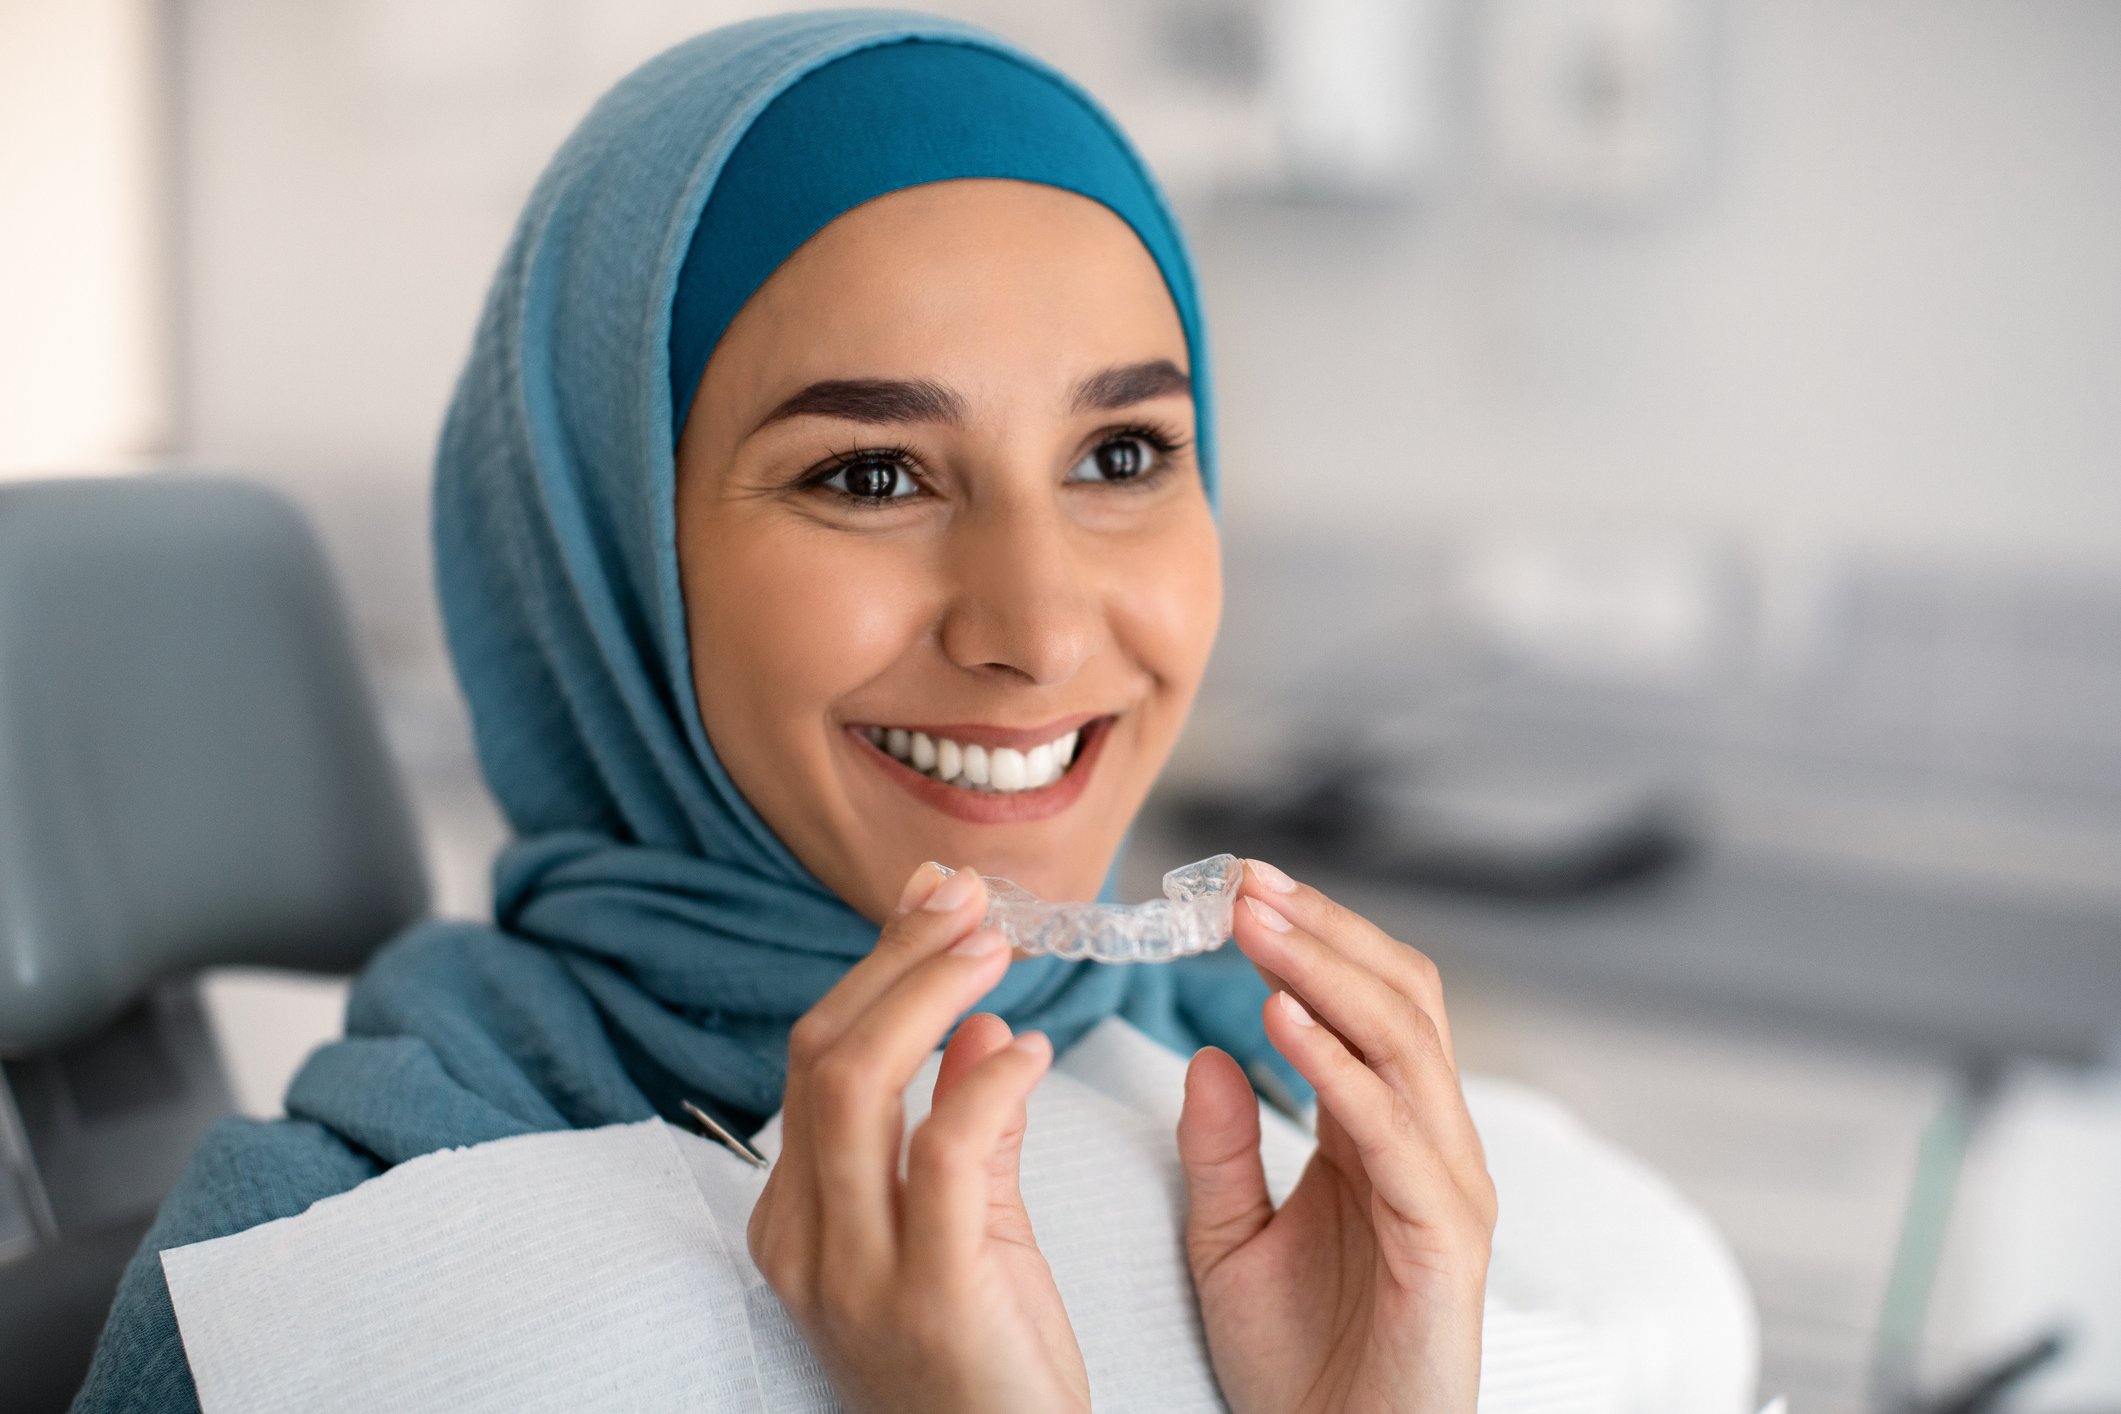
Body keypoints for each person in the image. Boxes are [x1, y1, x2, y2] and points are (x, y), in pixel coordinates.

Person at [72, 12, 1503, 1411]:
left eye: (1119, 451)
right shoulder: (310, 1302)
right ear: (607, 556)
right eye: (872, 474)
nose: (1040, 629)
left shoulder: (1318, 1138)